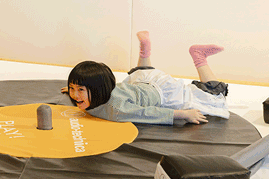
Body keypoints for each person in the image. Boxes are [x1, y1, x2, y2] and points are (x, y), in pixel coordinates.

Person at [63, 31, 230, 125]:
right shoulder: (101, 89)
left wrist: (184, 114)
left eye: (80, 90)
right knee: (141, 72)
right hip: (140, 83)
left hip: (163, 93)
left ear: (97, 90)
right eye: (72, 88)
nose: (75, 95)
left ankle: (199, 57)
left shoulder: (116, 110)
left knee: (215, 96)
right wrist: (77, 89)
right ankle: (145, 49)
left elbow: (148, 113)